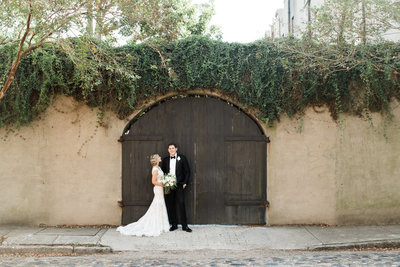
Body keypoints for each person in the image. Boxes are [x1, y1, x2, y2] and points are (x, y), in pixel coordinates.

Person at [116, 154, 169, 237]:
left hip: (160, 188)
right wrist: (163, 185)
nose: (160, 158)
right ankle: (155, 224)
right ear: (156, 159)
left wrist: (165, 182)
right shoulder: (155, 169)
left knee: (160, 204)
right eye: (159, 157)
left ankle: (161, 224)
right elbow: (153, 181)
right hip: (158, 188)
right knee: (158, 204)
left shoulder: (159, 168)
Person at [161, 143, 192, 232]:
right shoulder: (166, 160)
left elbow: (187, 171)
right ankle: (174, 224)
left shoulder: (182, 158)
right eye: (170, 148)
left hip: (179, 185)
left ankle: (185, 226)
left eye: (173, 148)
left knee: (181, 204)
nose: (171, 150)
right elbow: (163, 172)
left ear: (176, 149)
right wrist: (164, 182)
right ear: (168, 150)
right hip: (168, 185)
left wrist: (185, 182)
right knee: (171, 205)